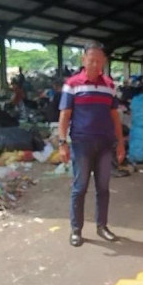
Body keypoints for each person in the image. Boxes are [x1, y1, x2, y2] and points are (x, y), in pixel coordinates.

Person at [58, 41, 125, 247]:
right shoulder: (72, 84)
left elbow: (115, 117)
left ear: (104, 61)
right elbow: (65, 115)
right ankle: (76, 230)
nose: (95, 64)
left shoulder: (109, 86)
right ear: (83, 60)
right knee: (80, 187)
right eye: (91, 60)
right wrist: (62, 143)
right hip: (81, 144)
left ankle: (102, 226)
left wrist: (120, 143)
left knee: (103, 188)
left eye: (99, 60)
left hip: (105, 144)